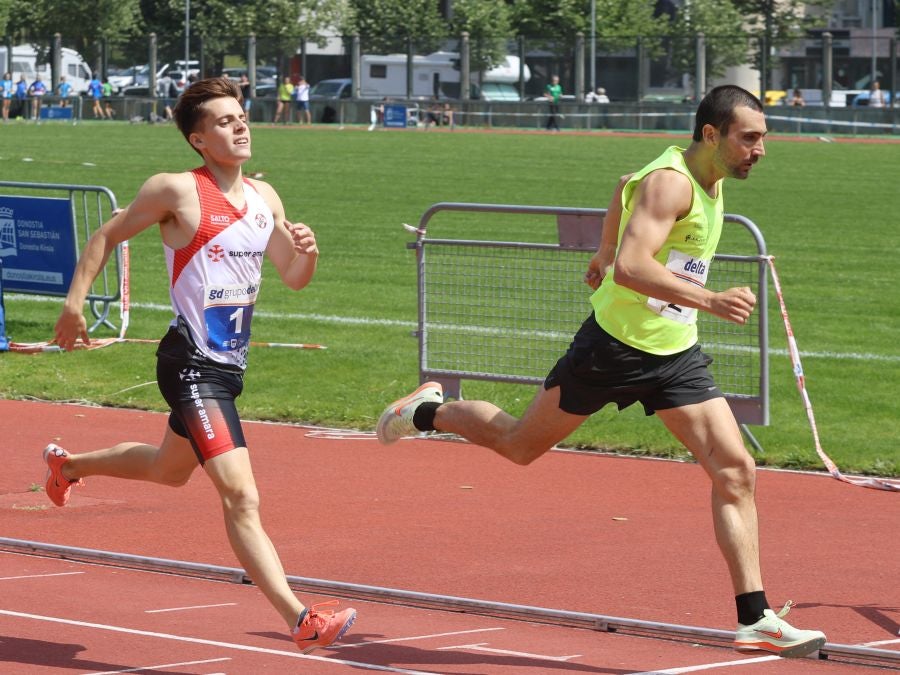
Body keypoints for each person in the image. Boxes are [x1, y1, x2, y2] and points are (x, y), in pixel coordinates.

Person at [377, 85, 827, 659]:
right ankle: (424, 411)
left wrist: (604, 246)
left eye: (763, 138)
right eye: (750, 138)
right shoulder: (672, 182)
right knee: (518, 445)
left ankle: (754, 617)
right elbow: (635, 266)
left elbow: (622, 186)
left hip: (674, 355)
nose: (761, 149)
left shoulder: (704, 179)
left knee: (735, 470)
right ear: (711, 135)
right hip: (612, 349)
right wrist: (705, 296)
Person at [44, 76, 356, 654]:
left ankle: (67, 468)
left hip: (227, 369)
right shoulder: (176, 191)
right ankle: (301, 618)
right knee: (241, 495)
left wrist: (309, 252)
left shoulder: (266, 198)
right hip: (190, 362)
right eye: (224, 121)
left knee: (168, 469)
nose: (240, 125)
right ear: (198, 140)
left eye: (242, 116)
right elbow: (106, 235)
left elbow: (292, 276)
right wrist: (73, 305)